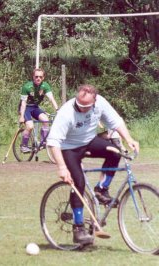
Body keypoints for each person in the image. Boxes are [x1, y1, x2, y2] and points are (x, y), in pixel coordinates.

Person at [47, 84, 139, 245]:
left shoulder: (101, 103)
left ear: (94, 101)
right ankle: (78, 228)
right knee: (79, 182)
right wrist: (61, 167)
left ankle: (101, 190)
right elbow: (53, 141)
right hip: (69, 149)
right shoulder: (66, 112)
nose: (82, 109)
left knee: (114, 151)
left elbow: (115, 121)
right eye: (80, 105)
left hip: (89, 141)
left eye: (86, 106)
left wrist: (129, 139)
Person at [18, 68, 59, 152]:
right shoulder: (27, 87)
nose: (38, 78)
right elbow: (23, 103)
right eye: (36, 76)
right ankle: (23, 145)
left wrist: (58, 110)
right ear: (33, 77)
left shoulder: (45, 86)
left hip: (35, 107)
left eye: (40, 77)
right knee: (30, 126)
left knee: (45, 120)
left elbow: (51, 99)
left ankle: (43, 142)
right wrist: (22, 116)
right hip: (25, 108)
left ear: (43, 77)